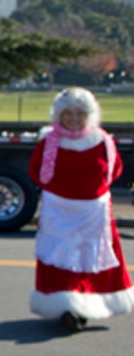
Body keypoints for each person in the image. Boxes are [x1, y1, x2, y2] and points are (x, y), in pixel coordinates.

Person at [28, 87, 134, 332]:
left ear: (89, 115)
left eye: (79, 113)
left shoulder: (102, 141)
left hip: (93, 215)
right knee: (60, 259)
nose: (74, 119)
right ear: (59, 115)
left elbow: (113, 170)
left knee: (92, 260)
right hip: (59, 212)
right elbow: (36, 172)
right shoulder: (48, 142)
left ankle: (87, 304)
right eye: (68, 114)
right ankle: (67, 307)